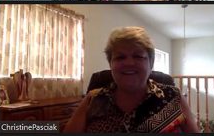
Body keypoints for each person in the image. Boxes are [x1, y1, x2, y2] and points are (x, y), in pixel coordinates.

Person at [64, 27, 199, 133]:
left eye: (138, 56)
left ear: (151, 64)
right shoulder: (93, 100)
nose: (129, 63)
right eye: (120, 57)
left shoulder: (173, 96)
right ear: (111, 64)